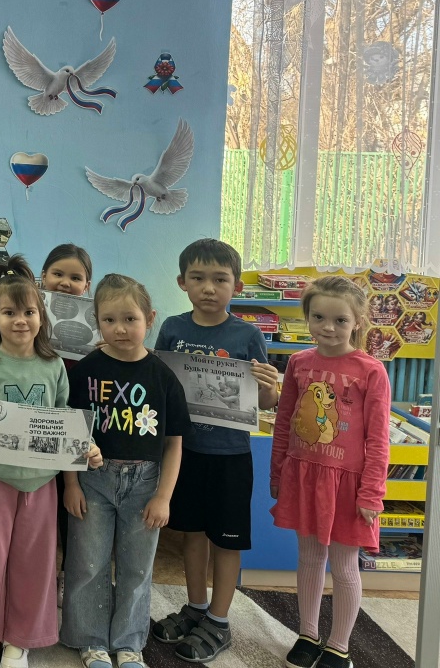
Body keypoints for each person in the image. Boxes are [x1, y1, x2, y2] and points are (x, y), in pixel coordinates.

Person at [0, 257, 101, 668]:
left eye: (28, 312)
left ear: (42, 316)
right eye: (9, 313)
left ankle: (20, 639)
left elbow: (64, 417)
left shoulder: (53, 365)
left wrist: (86, 445)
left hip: (40, 481)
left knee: (34, 560)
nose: (20, 321)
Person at [151, 240, 280, 662]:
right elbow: (160, 382)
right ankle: (196, 607)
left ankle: (220, 621)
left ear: (236, 286)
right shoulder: (173, 328)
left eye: (220, 279)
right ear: (182, 282)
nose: (209, 287)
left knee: (227, 540)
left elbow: (264, 402)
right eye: (199, 278)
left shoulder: (248, 334)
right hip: (185, 452)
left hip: (230, 456)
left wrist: (269, 387)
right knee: (191, 534)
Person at [61, 274, 190, 668]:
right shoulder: (85, 371)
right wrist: (71, 484)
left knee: (137, 566)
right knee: (87, 563)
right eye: (109, 320)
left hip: (145, 483)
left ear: (149, 319)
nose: (120, 328)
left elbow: (174, 442)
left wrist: (164, 496)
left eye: (130, 319)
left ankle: (129, 643)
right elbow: (71, 431)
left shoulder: (163, 377)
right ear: (97, 321)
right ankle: (90, 639)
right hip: (92, 481)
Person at [270, 276, 391, 668]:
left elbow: (378, 439)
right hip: (304, 477)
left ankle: (339, 646)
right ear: (307, 317)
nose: (328, 327)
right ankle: (308, 634)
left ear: (357, 322)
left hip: (348, 486)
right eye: (319, 317)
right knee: (308, 558)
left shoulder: (372, 371)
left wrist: (371, 493)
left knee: (343, 565)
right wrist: (277, 474)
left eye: (340, 320)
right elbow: (284, 422)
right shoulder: (298, 363)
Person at [39, 242, 96, 607]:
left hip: (79, 423)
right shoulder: (30, 317)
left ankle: (67, 575)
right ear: (42, 277)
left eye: (75, 278)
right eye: (57, 274)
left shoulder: (98, 326)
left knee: (73, 508)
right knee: (43, 506)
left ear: (87, 286)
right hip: (39, 422)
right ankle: (40, 574)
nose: (65, 282)